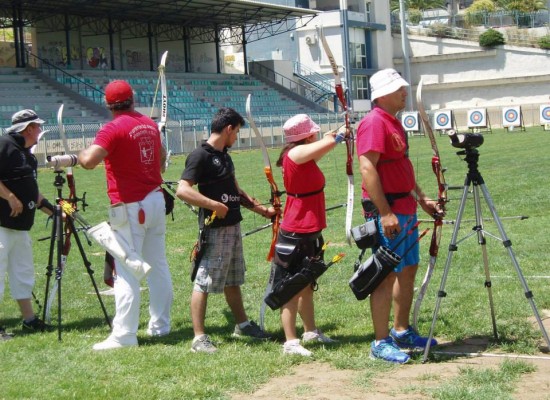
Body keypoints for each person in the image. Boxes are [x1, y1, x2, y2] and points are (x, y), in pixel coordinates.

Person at [78, 80, 173, 350]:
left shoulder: (113, 128)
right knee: (158, 266)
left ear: (108, 105)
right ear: (132, 99)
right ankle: (160, 325)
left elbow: (88, 161)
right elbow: (161, 159)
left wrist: (82, 151)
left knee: (127, 271)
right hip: (154, 200)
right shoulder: (148, 124)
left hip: (131, 206)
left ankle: (124, 335)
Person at [356, 68, 440, 364]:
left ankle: (401, 330)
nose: (405, 92)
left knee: (408, 270)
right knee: (384, 275)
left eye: (404, 88)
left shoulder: (393, 123)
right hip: (389, 212)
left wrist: (423, 198)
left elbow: (401, 168)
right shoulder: (374, 123)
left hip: (405, 209)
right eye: (398, 89)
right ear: (381, 95)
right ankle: (380, 342)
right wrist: (385, 212)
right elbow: (368, 169)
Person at [176, 107, 273, 353]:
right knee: (204, 281)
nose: (236, 137)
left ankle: (242, 325)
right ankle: (199, 338)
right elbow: (183, 190)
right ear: (229, 128)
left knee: (233, 278)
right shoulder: (200, 156)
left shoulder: (225, 156)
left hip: (233, 226)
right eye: (237, 132)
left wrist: (263, 210)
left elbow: (236, 192)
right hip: (215, 229)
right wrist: (213, 205)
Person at [271, 114, 345, 357]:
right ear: (307, 136)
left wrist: (335, 135)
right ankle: (290, 341)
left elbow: (323, 147)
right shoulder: (295, 154)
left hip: (309, 228)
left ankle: (310, 330)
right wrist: (339, 135)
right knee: (292, 286)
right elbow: (326, 145)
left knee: (306, 284)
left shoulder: (304, 154)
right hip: (297, 230)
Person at [0, 109, 55, 340]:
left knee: (22, 273)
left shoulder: (27, 154)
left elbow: (32, 190)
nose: (40, 131)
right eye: (38, 127)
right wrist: (10, 197)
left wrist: (54, 210)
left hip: (20, 226)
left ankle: (29, 320)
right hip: (1, 223)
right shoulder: (3, 145)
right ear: (29, 129)